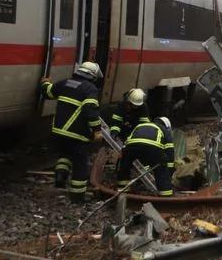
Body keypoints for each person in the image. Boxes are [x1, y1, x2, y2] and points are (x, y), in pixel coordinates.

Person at [40, 62, 103, 203]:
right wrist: (97, 130)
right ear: (92, 76)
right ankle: (77, 196)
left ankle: (60, 176)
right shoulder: (90, 89)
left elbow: (48, 92)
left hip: (58, 131)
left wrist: (45, 83)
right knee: (80, 163)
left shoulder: (65, 83)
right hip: (77, 133)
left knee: (65, 154)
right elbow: (90, 110)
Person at [116, 116, 176, 197]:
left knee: (125, 165)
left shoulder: (140, 125)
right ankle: (166, 195)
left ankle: (122, 191)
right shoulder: (164, 129)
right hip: (152, 148)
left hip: (131, 146)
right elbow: (169, 151)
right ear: (167, 126)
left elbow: (128, 139)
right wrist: (169, 169)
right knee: (161, 169)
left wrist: (123, 154)